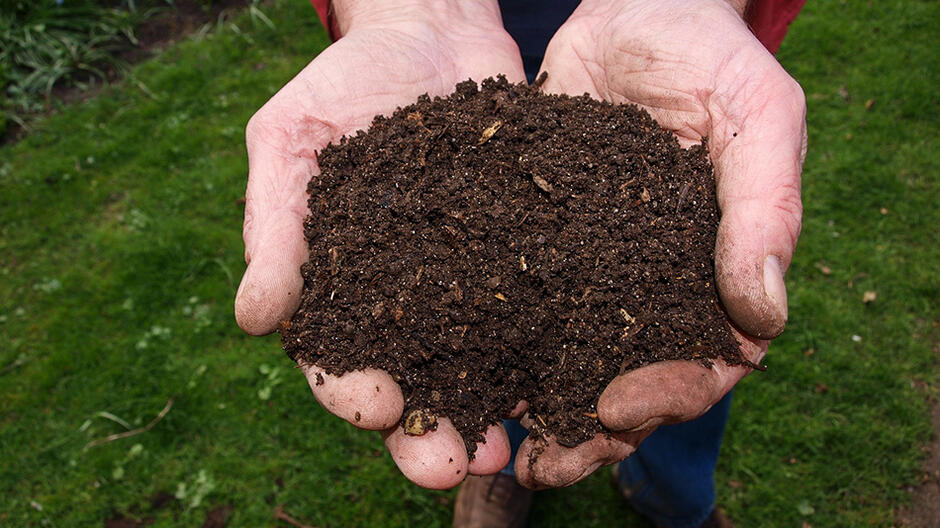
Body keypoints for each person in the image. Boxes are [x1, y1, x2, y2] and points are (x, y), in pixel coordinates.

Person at [234, 1, 807, 526]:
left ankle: (674, 497)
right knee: (500, 377)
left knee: (682, 365)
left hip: (636, 47)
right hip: (461, 31)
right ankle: (503, 471)